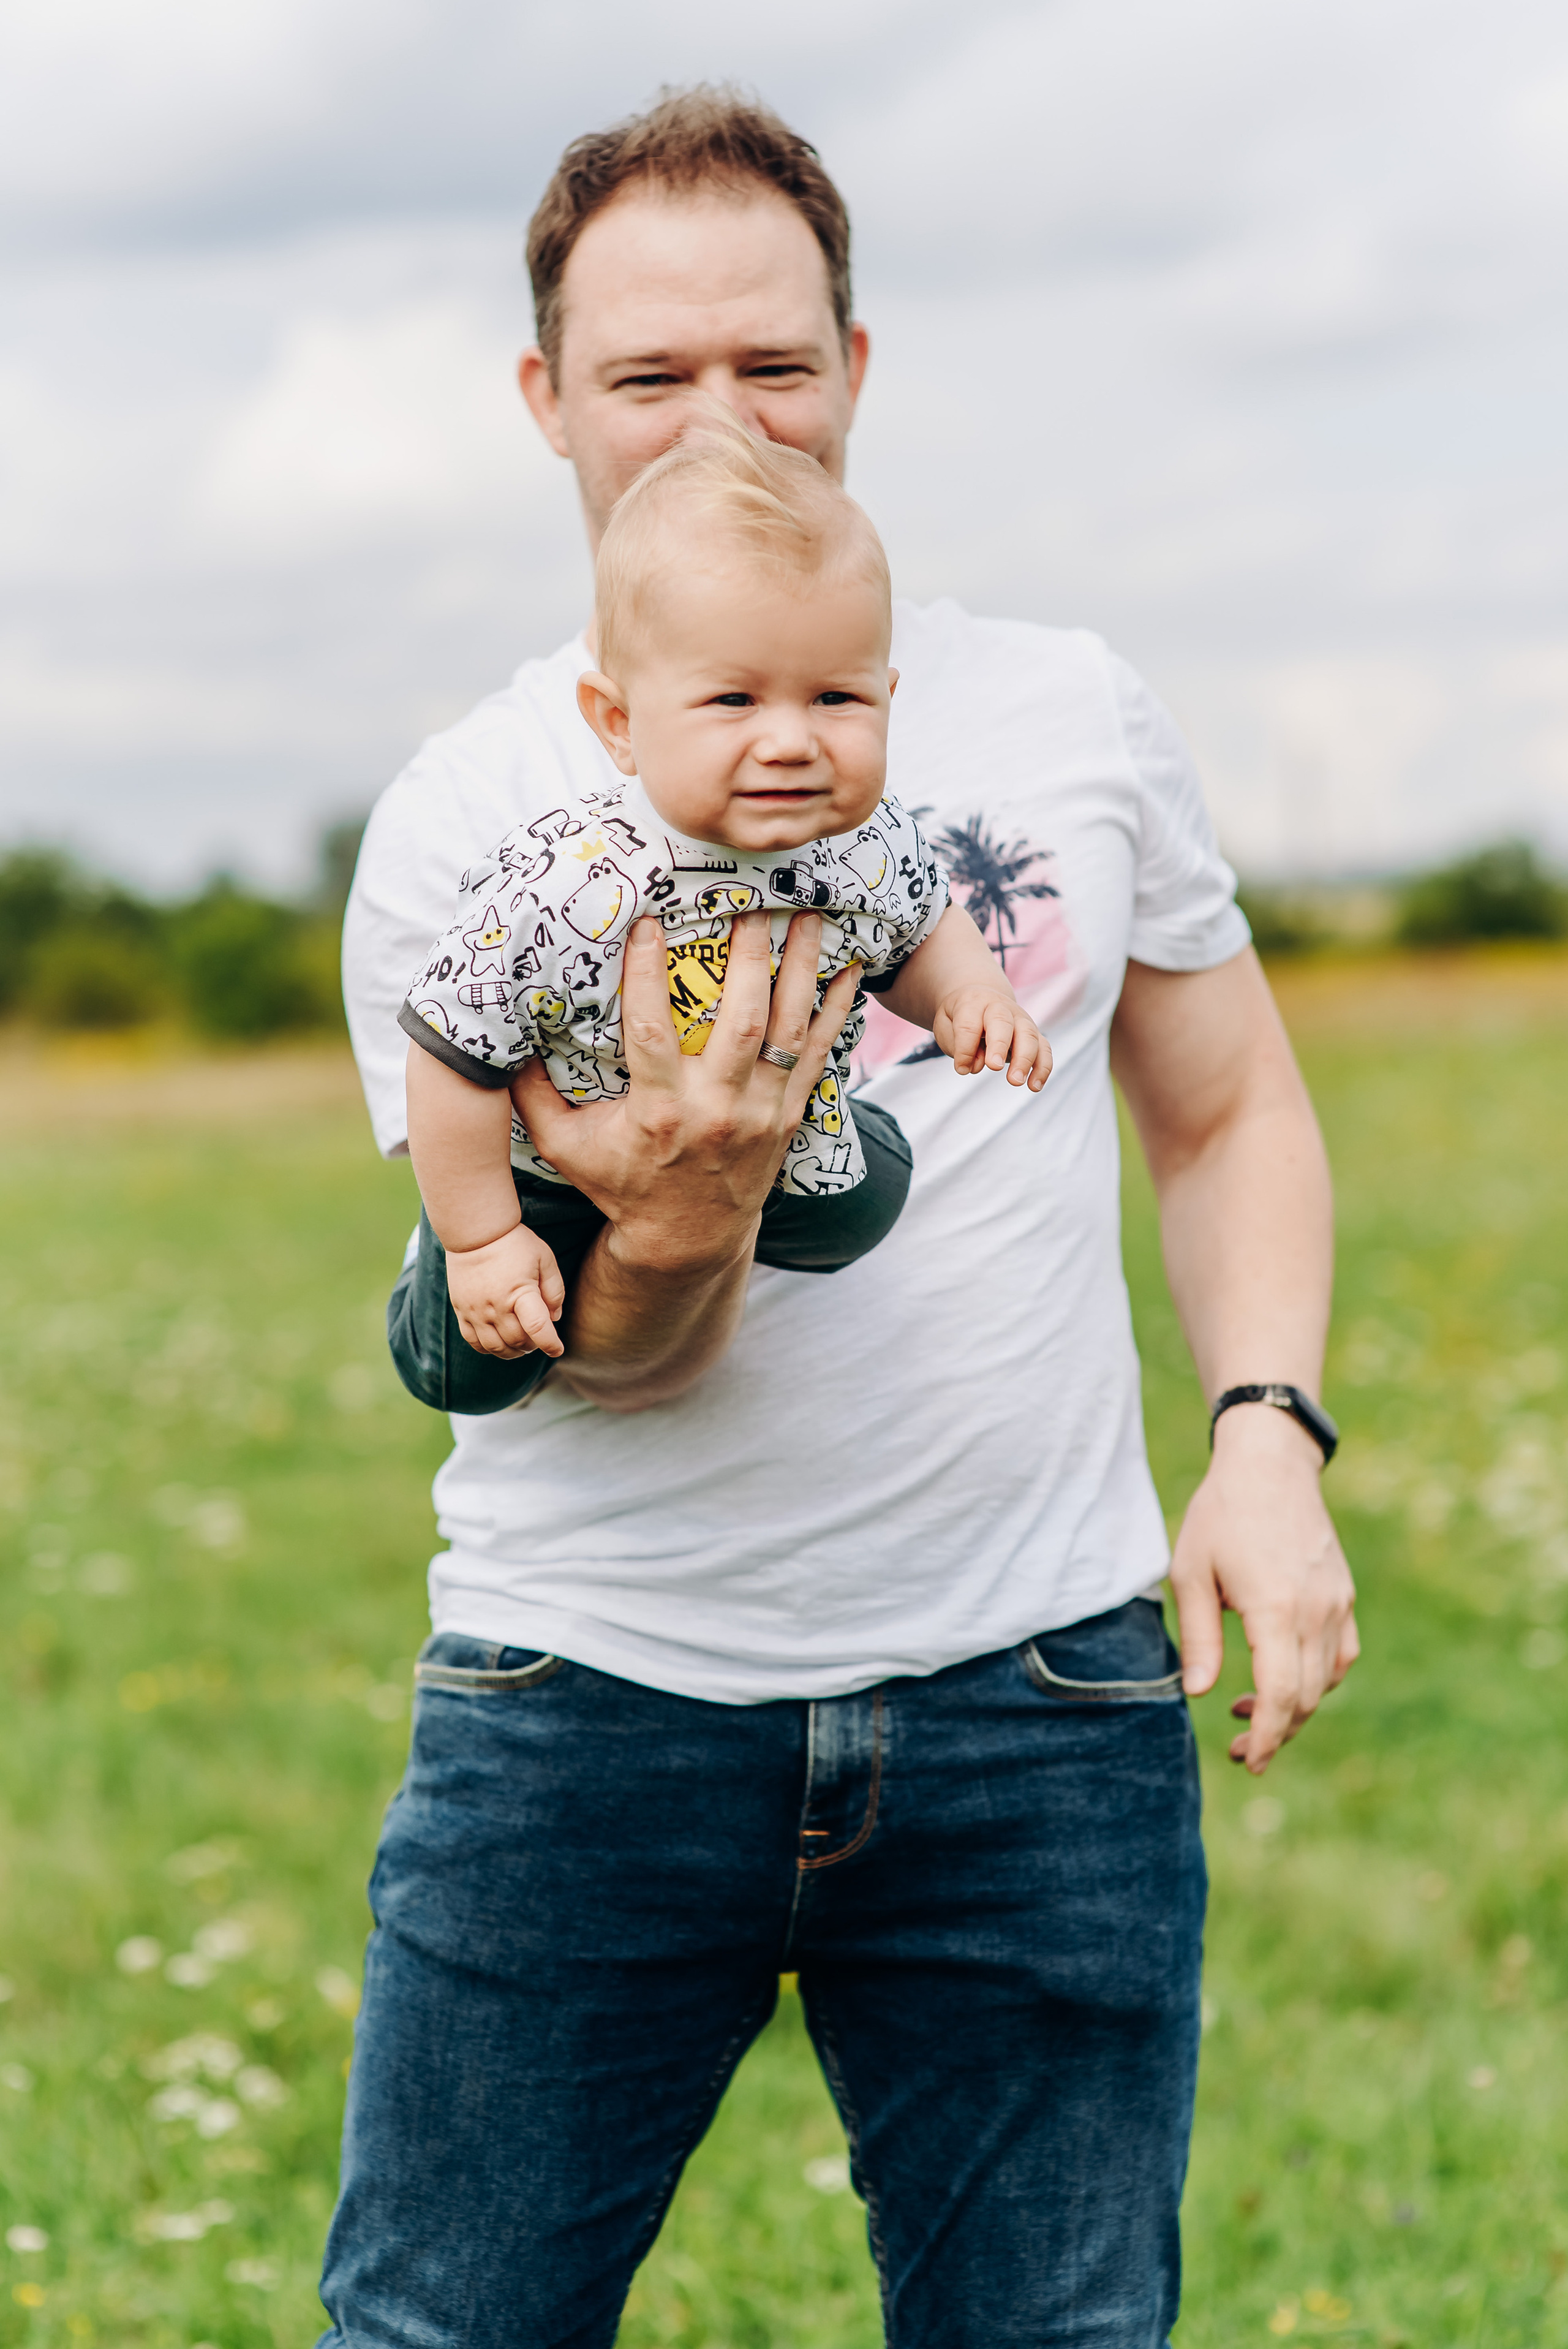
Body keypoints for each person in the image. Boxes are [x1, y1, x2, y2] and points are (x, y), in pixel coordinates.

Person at [330, 86, 1358, 2349]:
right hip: (589, 1704)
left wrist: (1268, 1435)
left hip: (1049, 1702)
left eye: (775, 362)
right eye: (649, 372)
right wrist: (676, 1220)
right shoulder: (478, 828)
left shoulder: (1067, 713)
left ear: (860, 369)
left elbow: (1226, 1109)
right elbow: (588, 1343)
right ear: (546, 404)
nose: (726, 414)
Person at [401, 410, 1049, 1365]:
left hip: (771, 1130)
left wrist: (970, 993)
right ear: (619, 723)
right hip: (549, 1163)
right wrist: (482, 1237)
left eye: (836, 697)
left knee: (867, 1206)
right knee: (479, 1364)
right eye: (734, 699)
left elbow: (920, 929)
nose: (790, 739)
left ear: (887, 696)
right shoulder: (562, 882)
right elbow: (452, 1055)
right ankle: (465, 1270)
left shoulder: (865, 843)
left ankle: (740, 1215)